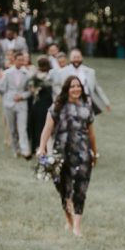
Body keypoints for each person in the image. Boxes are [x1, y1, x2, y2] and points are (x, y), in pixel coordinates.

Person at [37, 75, 98, 237]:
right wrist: (42, 148)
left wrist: (94, 152)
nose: (76, 89)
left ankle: (77, 227)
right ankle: (68, 218)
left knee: (81, 188)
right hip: (61, 153)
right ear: (67, 89)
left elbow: (91, 134)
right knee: (64, 188)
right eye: (72, 86)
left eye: (78, 86)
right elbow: (47, 129)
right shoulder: (57, 107)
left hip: (83, 152)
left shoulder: (87, 107)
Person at [0, 50, 33, 158]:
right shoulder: (7, 73)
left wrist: (22, 96)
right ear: (14, 60)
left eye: (22, 60)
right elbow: (1, 89)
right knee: (12, 128)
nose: (21, 62)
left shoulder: (27, 74)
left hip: (22, 104)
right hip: (9, 103)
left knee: (22, 127)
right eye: (19, 60)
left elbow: (30, 90)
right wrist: (7, 98)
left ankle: (25, 150)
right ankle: (15, 148)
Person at [69, 49, 110, 114]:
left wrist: (106, 103)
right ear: (70, 59)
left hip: (86, 103)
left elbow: (97, 89)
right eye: (74, 57)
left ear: (82, 58)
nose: (76, 59)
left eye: (78, 57)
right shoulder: (64, 71)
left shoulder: (90, 72)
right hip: (69, 104)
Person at [27, 56, 53, 150]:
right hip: (37, 102)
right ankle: (37, 145)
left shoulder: (50, 75)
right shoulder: (35, 74)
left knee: (43, 124)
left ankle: (44, 146)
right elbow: (30, 85)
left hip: (46, 102)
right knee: (36, 123)